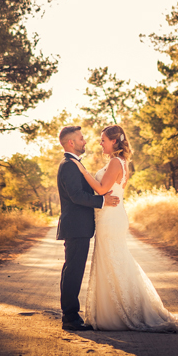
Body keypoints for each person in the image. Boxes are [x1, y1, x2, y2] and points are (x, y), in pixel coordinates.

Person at [72, 124, 178, 333]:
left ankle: (120, 313)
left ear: (114, 141)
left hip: (110, 219)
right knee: (113, 262)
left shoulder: (115, 163)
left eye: (103, 140)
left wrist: (82, 171)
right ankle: (113, 311)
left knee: (113, 261)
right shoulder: (121, 162)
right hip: (111, 217)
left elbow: (101, 189)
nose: (100, 143)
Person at [56, 124, 119, 332]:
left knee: (73, 270)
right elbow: (76, 196)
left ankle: (71, 315)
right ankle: (70, 318)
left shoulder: (74, 164)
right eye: (81, 138)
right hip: (75, 227)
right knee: (73, 271)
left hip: (79, 227)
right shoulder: (68, 165)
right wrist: (102, 202)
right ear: (71, 142)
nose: (85, 141)